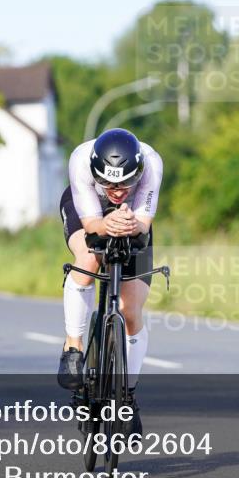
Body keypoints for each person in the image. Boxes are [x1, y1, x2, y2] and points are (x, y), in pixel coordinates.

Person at [57, 128, 163, 437]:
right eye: (108, 182)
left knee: (130, 311)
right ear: (95, 171)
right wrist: (105, 222)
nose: (116, 190)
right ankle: (74, 347)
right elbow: (91, 225)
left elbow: (142, 225)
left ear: (138, 171)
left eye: (125, 182)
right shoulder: (80, 160)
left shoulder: (152, 164)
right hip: (89, 208)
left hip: (133, 218)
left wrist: (128, 223)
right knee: (89, 257)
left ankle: (127, 394)